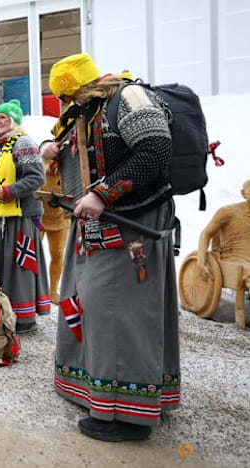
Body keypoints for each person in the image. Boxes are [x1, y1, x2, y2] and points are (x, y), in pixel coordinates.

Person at [47, 53, 179, 441]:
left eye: (67, 95)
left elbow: (156, 149)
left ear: (80, 86)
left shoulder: (129, 97)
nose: (66, 105)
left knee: (123, 313)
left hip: (131, 225)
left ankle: (129, 417)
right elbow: (78, 157)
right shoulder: (86, 112)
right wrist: (50, 148)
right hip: (97, 226)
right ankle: (101, 392)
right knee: (93, 309)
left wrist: (103, 194)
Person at [0, 99, 50, 334]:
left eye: (4, 117)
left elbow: (36, 178)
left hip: (21, 216)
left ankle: (23, 319)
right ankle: (4, 313)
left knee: (19, 269)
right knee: (3, 268)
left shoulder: (23, 142)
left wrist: (9, 191)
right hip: (1, 216)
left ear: (15, 120)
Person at [39, 156, 69, 304]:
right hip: (39, 217)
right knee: (34, 254)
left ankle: (52, 291)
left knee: (57, 254)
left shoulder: (68, 165)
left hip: (61, 218)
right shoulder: (43, 161)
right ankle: (35, 289)